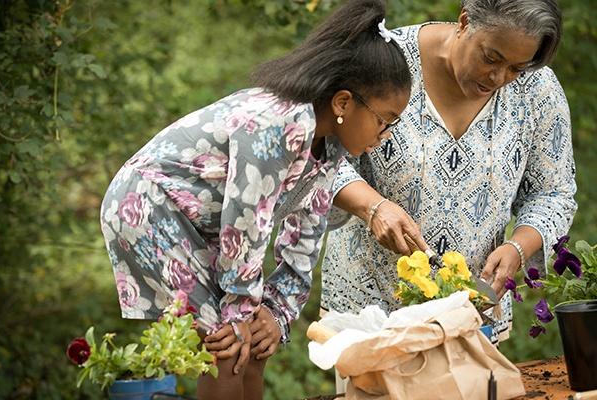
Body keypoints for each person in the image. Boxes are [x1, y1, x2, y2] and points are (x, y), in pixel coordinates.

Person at [99, 1, 411, 399]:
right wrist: (241, 311)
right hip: (147, 207)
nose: (383, 135)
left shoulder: (330, 148)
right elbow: (245, 225)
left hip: (202, 227)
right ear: (344, 103)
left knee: (257, 344)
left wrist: (276, 313)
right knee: (228, 345)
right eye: (384, 120)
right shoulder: (275, 123)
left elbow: (306, 238)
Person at [322, 0, 577, 344]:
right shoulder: (385, 62)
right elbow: (321, 154)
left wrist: (519, 247)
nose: (499, 78)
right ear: (465, 21)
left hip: (470, 315)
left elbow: (554, 192)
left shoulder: (538, 91)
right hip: (370, 314)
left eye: (517, 67)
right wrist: (373, 207)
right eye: (491, 57)